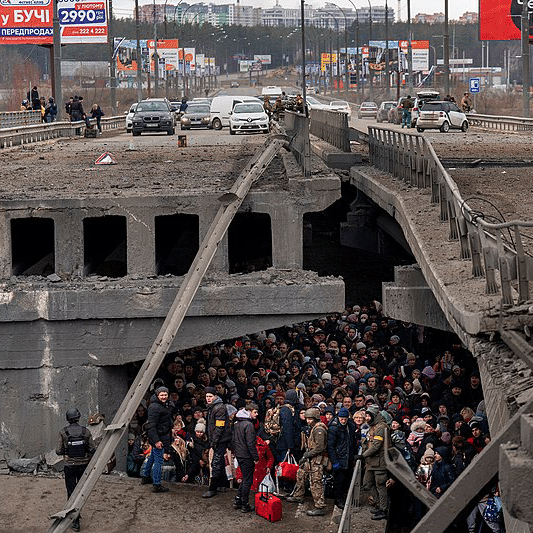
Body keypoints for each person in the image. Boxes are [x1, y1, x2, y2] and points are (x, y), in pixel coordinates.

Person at [56, 408, 96, 532]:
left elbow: (58, 451)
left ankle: (75, 520)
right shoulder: (86, 431)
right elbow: (92, 449)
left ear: (67, 419)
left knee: (71, 492)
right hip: (83, 465)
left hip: (70, 466)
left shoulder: (63, 432)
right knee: (81, 492)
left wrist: (68, 450)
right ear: (78, 417)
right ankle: (77, 514)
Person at [287, 407, 329, 516]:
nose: (308, 421)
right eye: (307, 418)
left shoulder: (319, 429)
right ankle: (298, 496)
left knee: (316, 483)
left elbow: (320, 448)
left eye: (310, 418)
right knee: (301, 474)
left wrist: (307, 455)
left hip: (316, 460)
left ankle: (320, 506)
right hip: (311, 459)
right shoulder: (313, 428)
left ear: (315, 418)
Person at [357, 404, 390, 520]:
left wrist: (362, 456)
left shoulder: (381, 427)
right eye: (366, 415)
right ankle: (379, 504)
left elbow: (376, 446)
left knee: (380, 485)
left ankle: (383, 509)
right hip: (370, 462)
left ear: (374, 415)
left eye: (368, 415)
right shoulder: (372, 426)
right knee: (367, 484)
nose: (367, 418)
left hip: (380, 462)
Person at [141, 386, 173, 493]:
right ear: (157, 395)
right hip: (159, 437)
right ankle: (157, 484)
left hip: (160, 435)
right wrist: (156, 441)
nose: (164, 397)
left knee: (153, 457)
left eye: (165, 394)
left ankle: (145, 476)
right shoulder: (155, 407)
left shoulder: (161, 405)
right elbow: (152, 426)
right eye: (162, 395)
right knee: (159, 461)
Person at [203, 386, 232, 498]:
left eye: (210, 396)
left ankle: (213, 488)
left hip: (220, 439)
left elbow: (219, 426)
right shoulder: (214, 407)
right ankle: (221, 484)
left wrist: (214, 441)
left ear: (215, 396)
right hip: (219, 439)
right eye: (207, 396)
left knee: (216, 462)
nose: (208, 398)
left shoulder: (218, 408)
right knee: (218, 462)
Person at [231, 403, 259, 513]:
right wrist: (255, 457)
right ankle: (244, 504)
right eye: (255, 412)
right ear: (249, 411)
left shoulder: (237, 423)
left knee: (245, 478)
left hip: (239, 454)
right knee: (248, 480)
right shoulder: (249, 425)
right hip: (247, 455)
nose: (257, 414)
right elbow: (250, 444)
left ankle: (238, 500)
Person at [327, 406, 356, 509]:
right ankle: (338, 499)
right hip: (340, 457)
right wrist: (334, 461)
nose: (343, 421)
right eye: (341, 419)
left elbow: (352, 441)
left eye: (345, 419)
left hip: (348, 456)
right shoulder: (334, 428)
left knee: (346, 479)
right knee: (339, 480)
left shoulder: (351, 426)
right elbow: (330, 446)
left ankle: (343, 497)